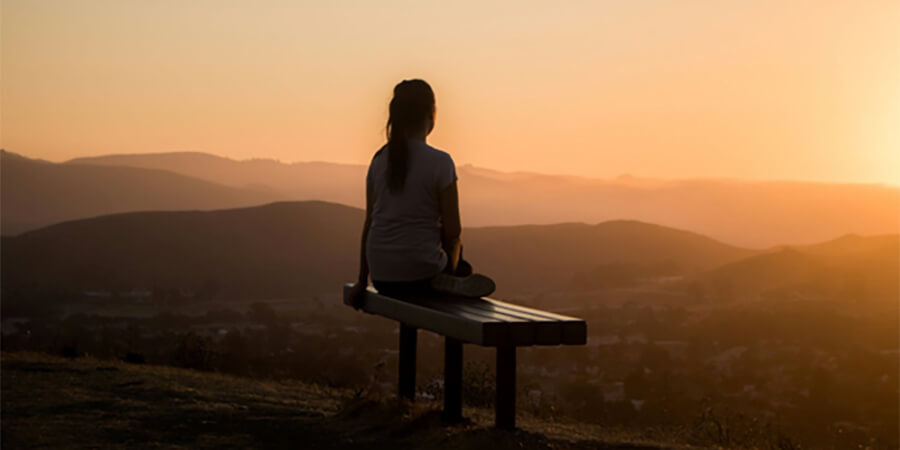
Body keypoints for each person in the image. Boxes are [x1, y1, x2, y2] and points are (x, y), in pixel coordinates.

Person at [348, 79, 494, 308]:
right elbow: (453, 231)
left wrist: (361, 281)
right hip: (421, 275)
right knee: (461, 260)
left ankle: (451, 277)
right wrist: (452, 267)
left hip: (382, 278)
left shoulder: (379, 160)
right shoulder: (440, 162)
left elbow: (370, 224)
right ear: (430, 115)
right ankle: (453, 279)